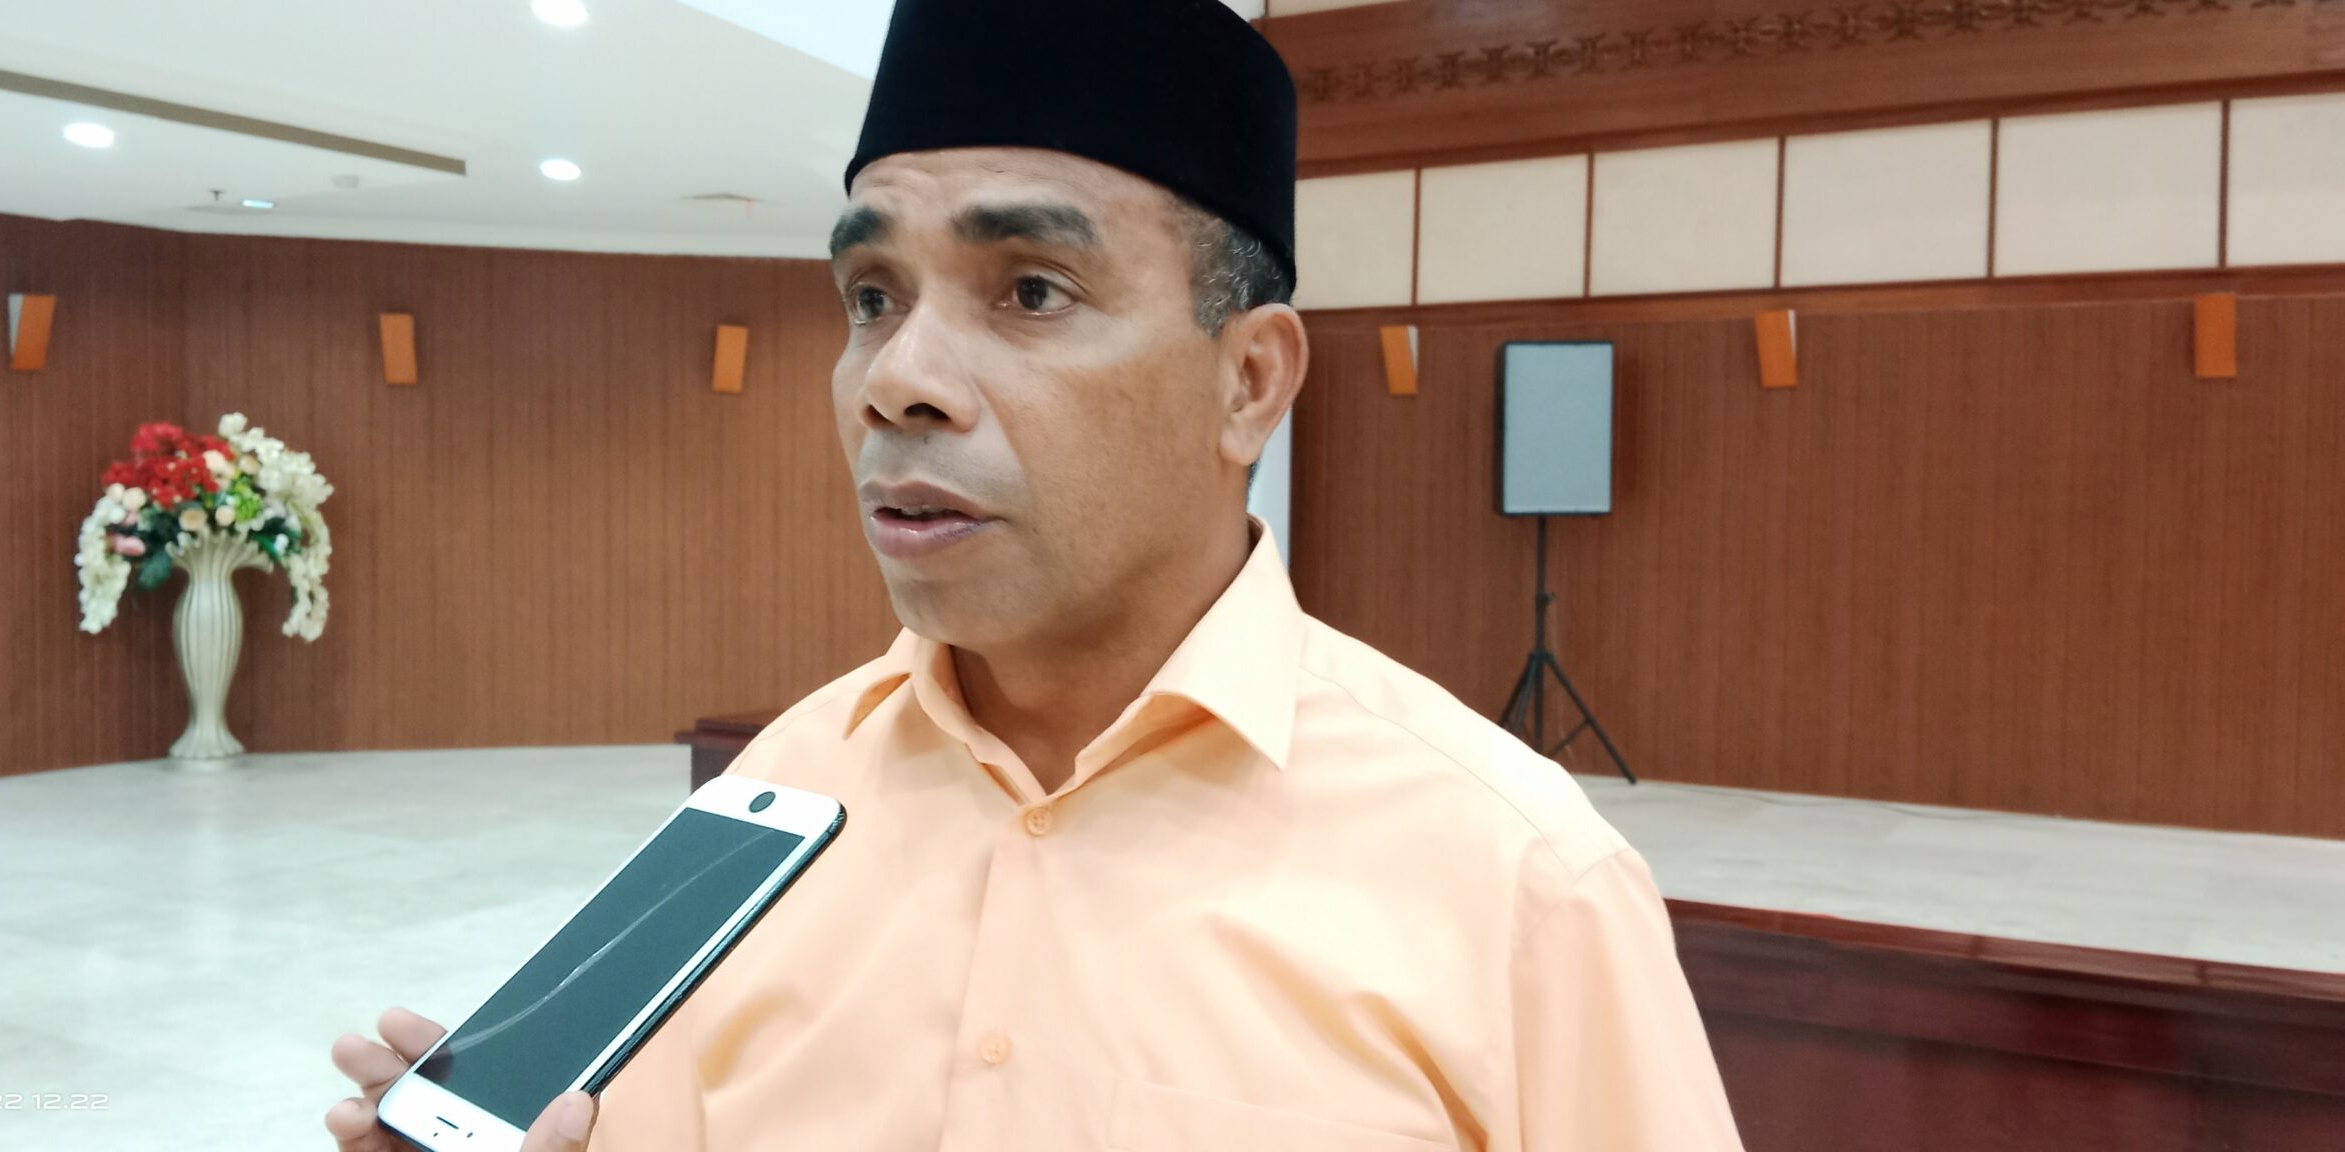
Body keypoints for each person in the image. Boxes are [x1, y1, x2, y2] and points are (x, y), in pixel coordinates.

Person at [327, 0, 1743, 1148]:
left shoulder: (1516, 880)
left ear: (1249, 382)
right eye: (871, 297)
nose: (899, 379)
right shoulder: (778, 797)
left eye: (1031, 291)